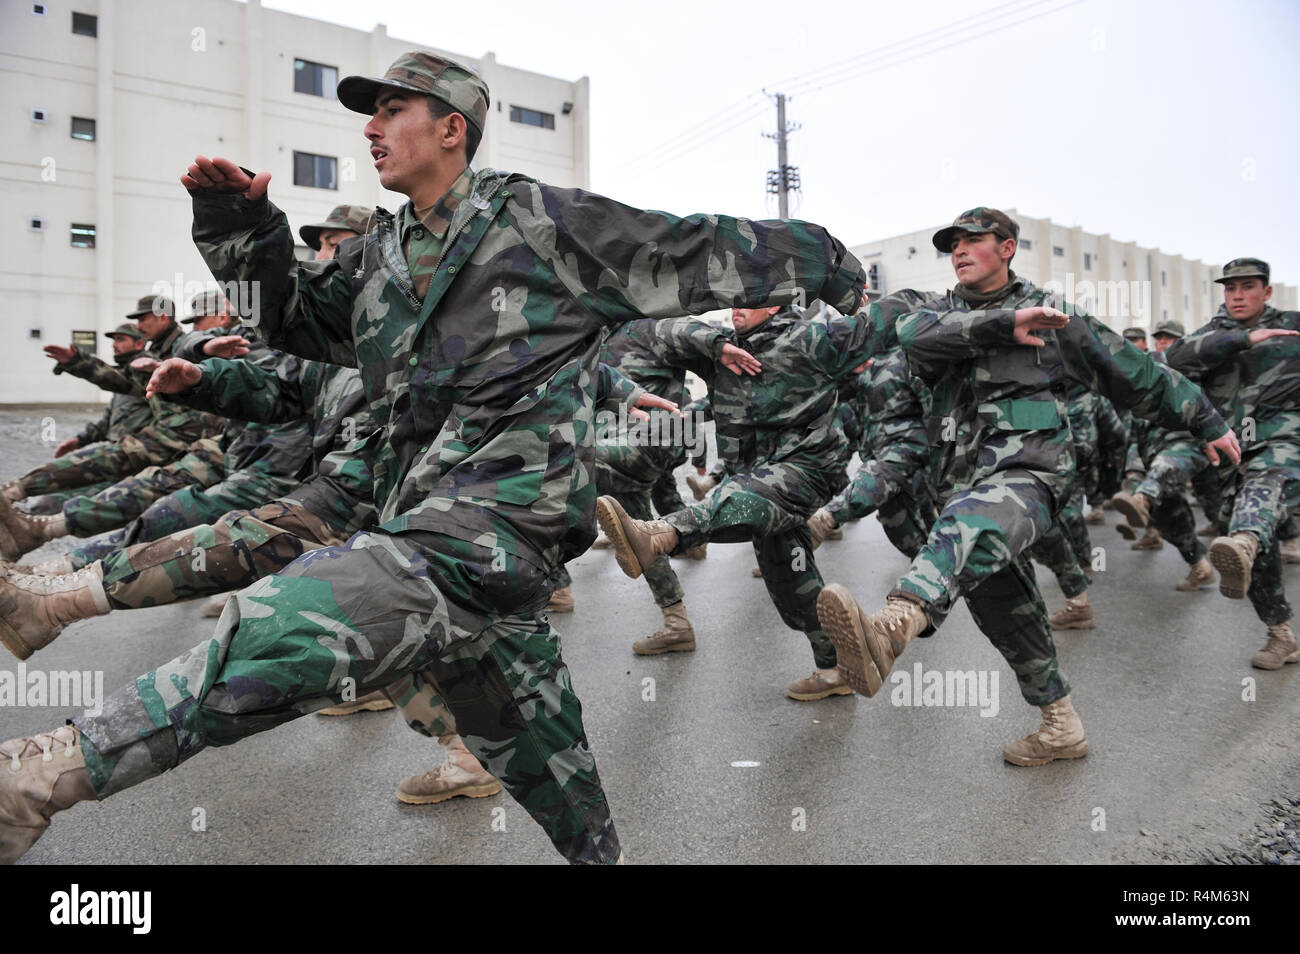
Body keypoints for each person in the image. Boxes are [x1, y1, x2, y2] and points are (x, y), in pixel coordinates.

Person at [0, 50, 864, 865]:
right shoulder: (381, 253)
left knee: (285, 618)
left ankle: (42, 777)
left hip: (490, 533)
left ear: (452, 127)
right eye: (370, 115)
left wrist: (828, 260)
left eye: (392, 110)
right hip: (445, 546)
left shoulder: (541, 222)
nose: (372, 129)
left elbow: (690, 247)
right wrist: (239, 228)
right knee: (570, 804)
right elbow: (291, 323)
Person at [814, 207, 1237, 766]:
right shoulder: (932, 311)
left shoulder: (1054, 316)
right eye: (953, 244)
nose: (960, 251)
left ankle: (892, 627)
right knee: (1006, 609)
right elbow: (915, 337)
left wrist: (1205, 419)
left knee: (969, 524)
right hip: (958, 481)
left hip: (1029, 471)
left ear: (1007, 247)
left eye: (974, 241)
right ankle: (1060, 724)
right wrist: (999, 325)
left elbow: (1132, 372)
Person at [598, 296, 904, 699]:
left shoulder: (811, 336)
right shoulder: (725, 350)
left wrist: (987, 315)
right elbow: (678, 331)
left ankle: (663, 534)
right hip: (758, 475)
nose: (737, 308)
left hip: (807, 469)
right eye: (735, 303)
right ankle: (836, 670)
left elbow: (890, 321)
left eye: (751, 302)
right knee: (790, 582)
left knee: (738, 494)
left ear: (777, 307)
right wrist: (696, 391)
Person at [1166, 258, 1300, 669]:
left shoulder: (1293, 327)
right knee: (1255, 549)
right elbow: (1175, 358)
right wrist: (1243, 339)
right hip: (1230, 452)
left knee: (1259, 499)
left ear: (1267, 291)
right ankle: (1281, 635)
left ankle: (1243, 539)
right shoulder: (1212, 336)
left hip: (1282, 442)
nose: (1238, 295)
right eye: (1230, 288)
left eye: (1247, 287)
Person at [17, 324, 151, 516]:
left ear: (139, 344)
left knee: (71, 503)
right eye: (114, 340)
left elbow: (112, 378)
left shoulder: (144, 375)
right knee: (57, 490)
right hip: (116, 456)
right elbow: (108, 421)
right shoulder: (125, 375)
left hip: (134, 462)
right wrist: (80, 440)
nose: (114, 345)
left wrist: (77, 362)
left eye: (121, 340)